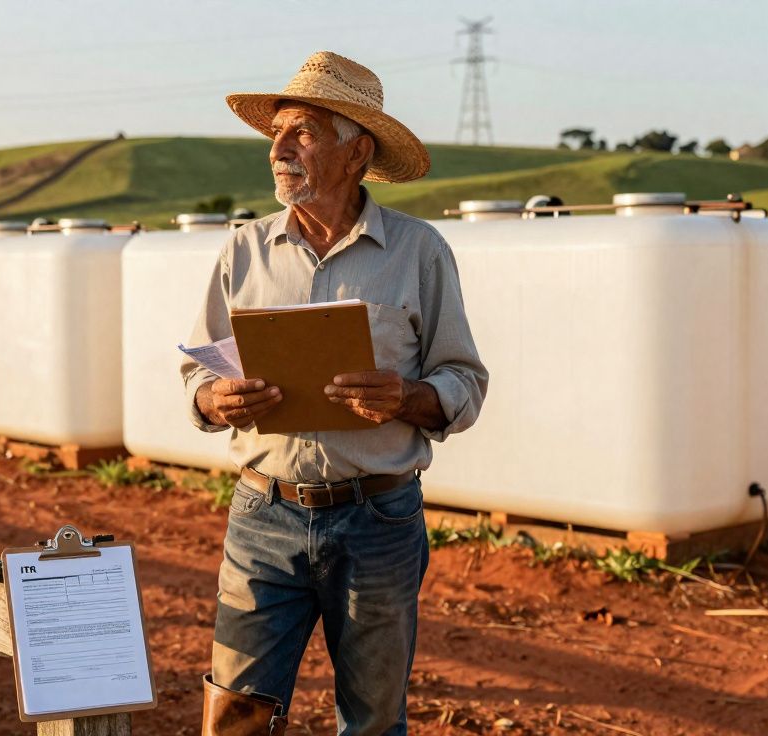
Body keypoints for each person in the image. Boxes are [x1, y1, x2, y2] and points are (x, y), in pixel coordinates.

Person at [182, 51, 488, 735]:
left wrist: (405, 398)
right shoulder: (243, 250)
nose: (280, 149)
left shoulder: (419, 251)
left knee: (375, 720)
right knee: (235, 713)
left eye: (303, 133)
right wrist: (216, 400)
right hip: (262, 515)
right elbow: (198, 373)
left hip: (378, 522)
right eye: (277, 134)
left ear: (357, 153)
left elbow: (464, 381)